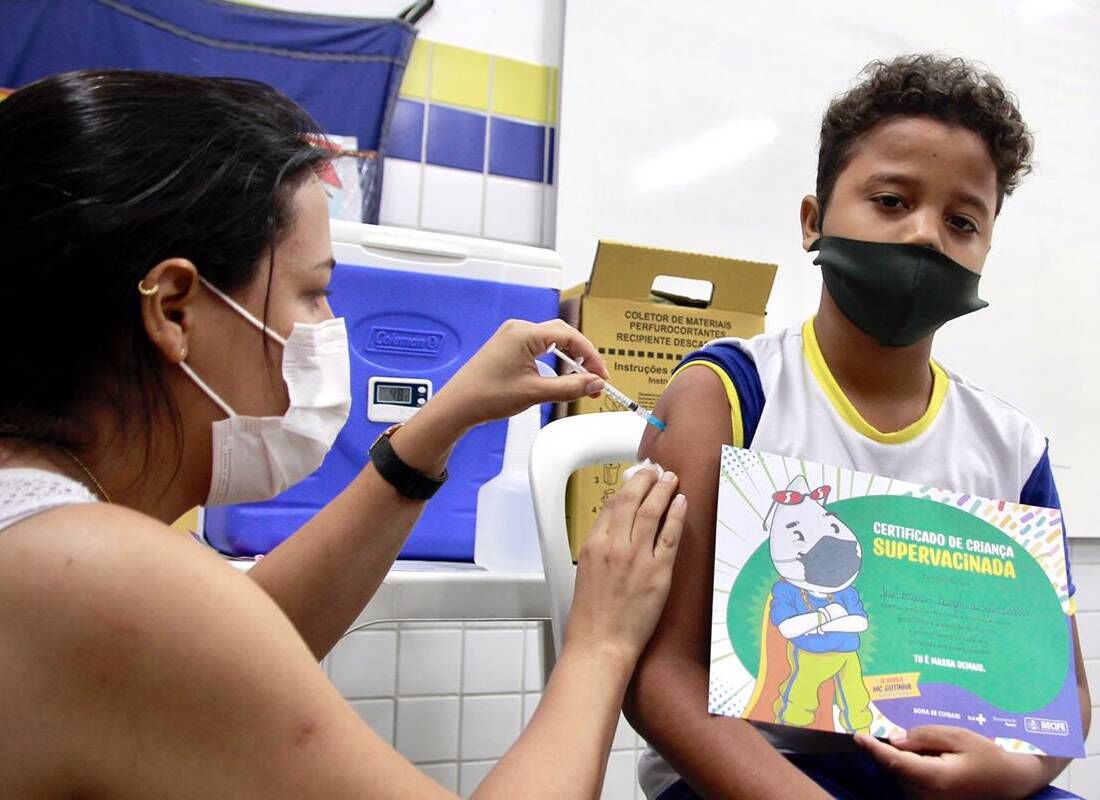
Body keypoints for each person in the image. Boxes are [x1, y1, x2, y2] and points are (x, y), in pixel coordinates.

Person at [0, 69, 687, 798]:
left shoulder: (45, 533)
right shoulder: (91, 572)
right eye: (314, 290)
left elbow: (234, 648)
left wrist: (439, 425)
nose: (332, 327)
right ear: (173, 308)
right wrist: (601, 643)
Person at [625, 54, 1091, 800]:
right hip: (746, 775)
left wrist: (1010, 772)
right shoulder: (729, 394)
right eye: (890, 200)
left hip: (936, 783)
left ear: (985, 251)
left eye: (962, 220)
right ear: (814, 222)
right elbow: (657, 674)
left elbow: (1058, 696)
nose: (926, 236)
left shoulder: (1013, 447)